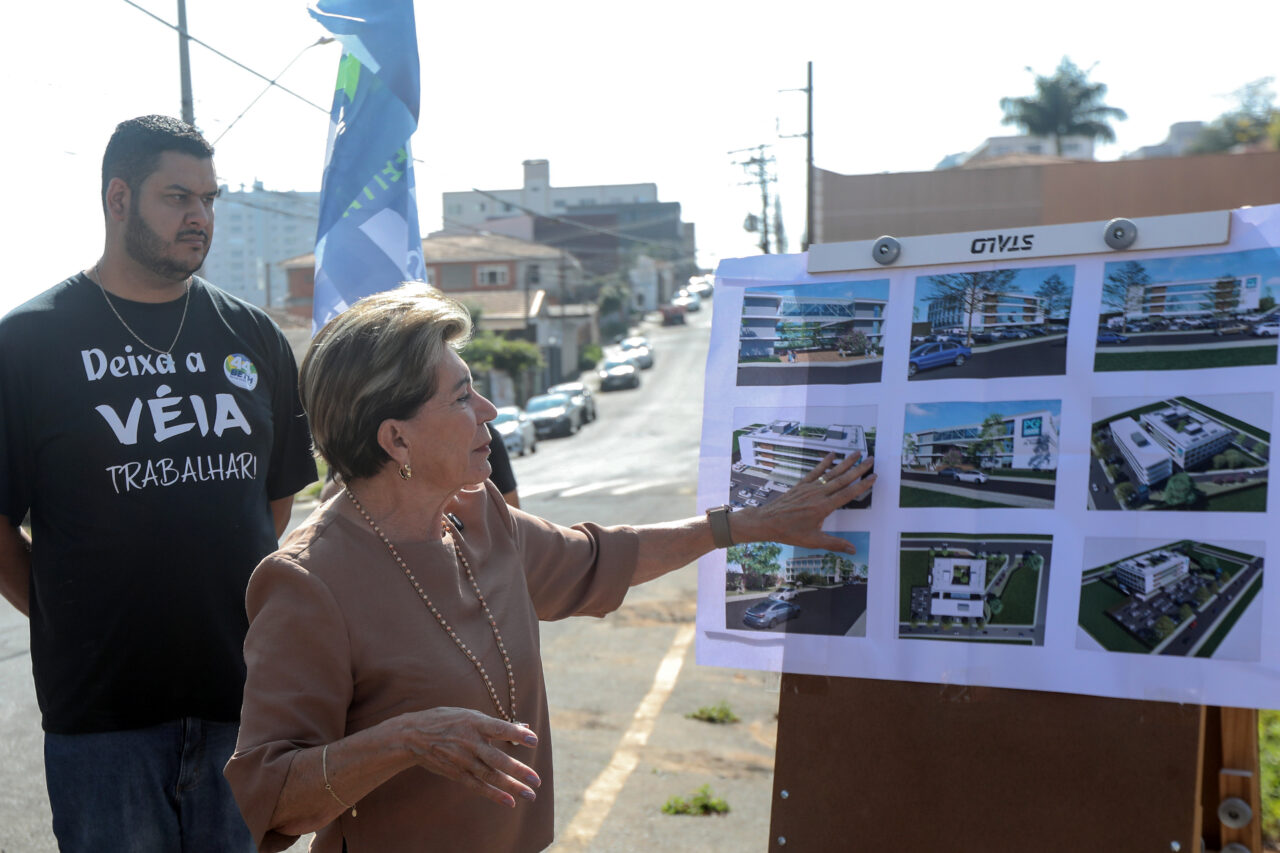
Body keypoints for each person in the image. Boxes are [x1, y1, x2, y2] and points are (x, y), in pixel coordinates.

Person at [224, 283, 875, 852]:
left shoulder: (479, 518)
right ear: (396, 440)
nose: (491, 413)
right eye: (462, 398)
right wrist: (406, 739)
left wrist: (738, 526)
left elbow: (603, 555)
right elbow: (270, 795)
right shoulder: (309, 582)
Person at [0, 115, 318, 851]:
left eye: (210, 199)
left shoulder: (255, 337)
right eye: (178, 197)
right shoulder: (29, 344)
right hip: (103, 720)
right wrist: (55, 611)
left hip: (241, 704)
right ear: (118, 198)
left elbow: (275, 493)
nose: (200, 217)